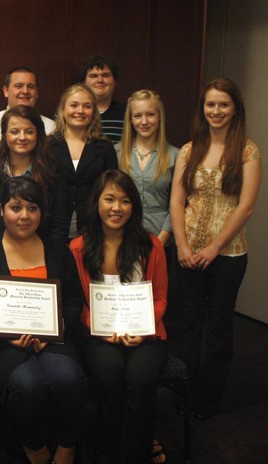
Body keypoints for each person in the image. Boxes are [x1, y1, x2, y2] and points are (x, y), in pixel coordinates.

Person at [0, 176, 87, 464]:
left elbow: (75, 300)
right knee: (28, 384)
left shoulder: (57, 250)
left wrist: (58, 325)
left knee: (69, 377)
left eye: (32, 208)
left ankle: (67, 445)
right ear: (1, 210)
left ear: (42, 212)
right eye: (16, 207)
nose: (24, 216)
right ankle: (34, 447)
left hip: (52, 342)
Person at [170, 78, 261, 420]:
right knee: (187, 326)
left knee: (220, 328)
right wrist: (181, 244)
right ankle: (184, 393)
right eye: (210, 104)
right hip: (187, 253)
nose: (216, 111)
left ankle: (208, 401)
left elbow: (246, 207)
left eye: (223, 104)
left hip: (228, 255)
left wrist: (214, 247)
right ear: (203, 109)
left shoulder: (247, 151)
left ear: (235, 108)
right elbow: (178, 200)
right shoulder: (190, 149)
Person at [70, 169, 168, 464]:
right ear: (96, 203)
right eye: (109, 199)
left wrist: (144, 328)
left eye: (125, 201)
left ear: (133, 206)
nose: (116, 208)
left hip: (146, 334)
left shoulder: (152, 245)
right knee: (109, 374)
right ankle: (109, 450)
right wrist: (97, 327)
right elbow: (80, 304)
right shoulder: (78, 248)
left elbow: (161, 298)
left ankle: (135, 454)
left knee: (141, 379)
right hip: (101, 336)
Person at [0, 105, 54, 242]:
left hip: (40, 255)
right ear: (4, 135)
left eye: (29, 131)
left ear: (38, 134)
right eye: (14, 132)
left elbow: (57, 226)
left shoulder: (51, 173)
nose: (22, 137)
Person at [48, 84, 118, 242]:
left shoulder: (105, 147)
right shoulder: (47, 146)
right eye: (74, 105)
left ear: (93, 112)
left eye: (87, 106)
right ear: (62, 109)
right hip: (53, 229)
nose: (80, 111)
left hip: (93, 230)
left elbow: (111, 190)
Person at [0, 66, 56, 181]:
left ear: (37, 93)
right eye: (19, 86)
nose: (25, 91)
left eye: (31, 87)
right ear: (6, 91)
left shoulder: (52, 128)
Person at [117, 89, 179, 246]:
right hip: (122, 239)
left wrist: (161, 240)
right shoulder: (116, 153)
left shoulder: (176, 156)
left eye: (150, 114)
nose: (144, 122)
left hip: (162, 239)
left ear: (159, 117)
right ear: (130, 119)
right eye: (137, 115)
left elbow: (178, 204)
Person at [79, 54, 126, 143]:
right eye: (94, 76)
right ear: (83, 83)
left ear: (115, 81)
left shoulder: (127, 114)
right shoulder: (70, 113)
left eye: (105, 75)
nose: (100, 80)